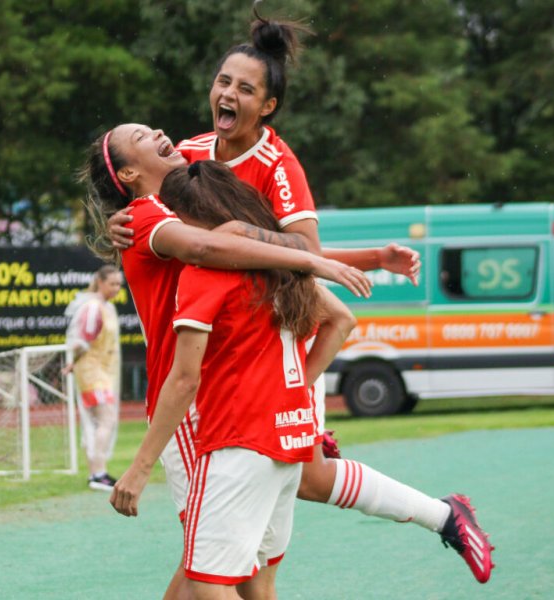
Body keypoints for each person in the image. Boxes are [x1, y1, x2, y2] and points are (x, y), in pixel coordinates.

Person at [106, 8, 494, 585]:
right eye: (223, 81)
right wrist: (120, 221)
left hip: (263, 359)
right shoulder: (191, 152)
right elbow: (154, 201)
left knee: (215, 567)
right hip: (243, 365)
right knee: (263, 545)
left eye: (246, 88)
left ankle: (327, 439)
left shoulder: (278, 166)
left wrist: (242, 243)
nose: (228, 93)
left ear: (267, 107)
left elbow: (302, 255)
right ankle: (438, 511)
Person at [80, 122, 371, 599]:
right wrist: (311, 261)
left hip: (220, 406)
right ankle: (439, 515)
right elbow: (208, 247)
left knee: (218, 569)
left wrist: (369, 257)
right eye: (139, 136)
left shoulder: (183, 204)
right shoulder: (147, 215)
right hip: (193, 409)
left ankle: (438, 514)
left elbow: (243, 241)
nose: (157, 129)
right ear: (130, 172)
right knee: (220, 573)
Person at [63, 265, 123, 491]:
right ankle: (97, 472)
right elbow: (82, 340)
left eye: (119, 284)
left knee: (103, 420)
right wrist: (74, 361)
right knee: (105, 419)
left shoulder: (107, 307)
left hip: (102, 371)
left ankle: (98, 471)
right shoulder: (93, 307)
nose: (116, 289)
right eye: (112, 284)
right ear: (100, 282)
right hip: (92, 372)